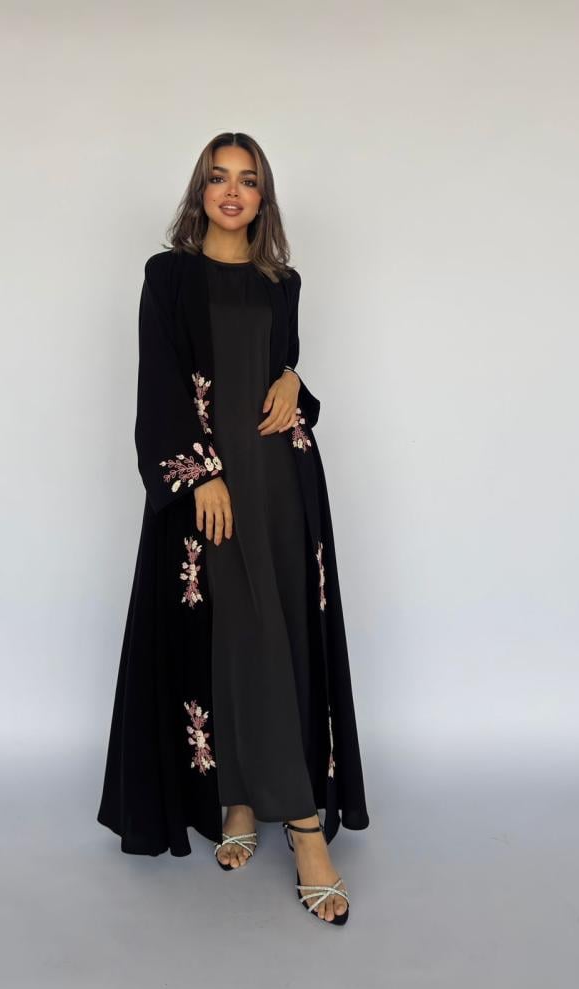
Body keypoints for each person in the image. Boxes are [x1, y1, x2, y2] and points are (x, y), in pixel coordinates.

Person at [97, 131, 369, 927]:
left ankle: (279, 812)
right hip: (212, 489)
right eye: (218, 178)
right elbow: (159, 381)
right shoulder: (169, 276)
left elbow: (278, 377)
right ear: (200, 191)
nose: (231, 191)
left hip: (283, 486)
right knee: (232, 636)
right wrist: (201, 473)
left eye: (247, 181)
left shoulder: (283, 283)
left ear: (263, 198)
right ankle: (263, 808)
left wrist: (295, 380)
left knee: (277, 637)